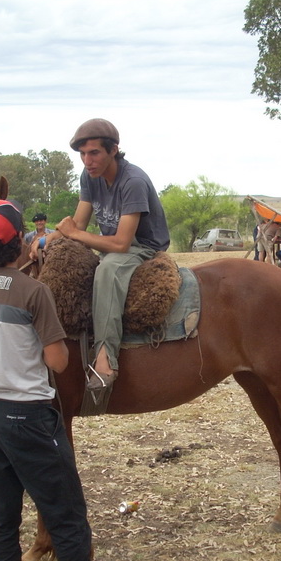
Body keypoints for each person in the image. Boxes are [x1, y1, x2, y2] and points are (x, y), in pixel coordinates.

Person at [0, 198, 135, 561]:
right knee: (67, 515)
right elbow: (56, 361)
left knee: (3, 516)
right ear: (21, 240)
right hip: (28, 416)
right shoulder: (34, 292)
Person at [49, 118, 170, 390]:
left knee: (107, 270)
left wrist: (75, 234)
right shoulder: (89, 177)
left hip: (143, 246)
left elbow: (121, 244)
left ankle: (105, 359)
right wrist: (48, 240)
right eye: (82, 154)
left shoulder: (133, 181)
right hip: (112, 242)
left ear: (113, 150)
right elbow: (77, 225)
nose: (87, 160)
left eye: (94, 153)